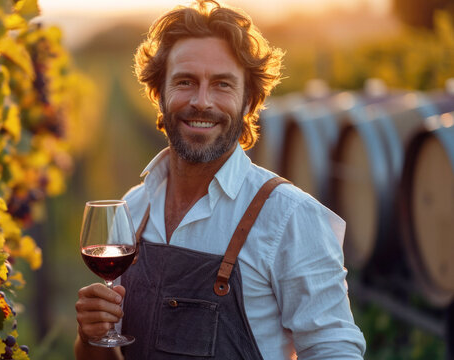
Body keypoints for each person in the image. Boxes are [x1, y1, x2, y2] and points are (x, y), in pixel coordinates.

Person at [74, 1, 367, 359]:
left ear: (248, 102)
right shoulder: (134, 207)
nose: (201, 101)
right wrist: (91, 337)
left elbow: (334, 350)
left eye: (222, 85)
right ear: (159, 95)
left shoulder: (291, 218)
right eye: (185, 81)